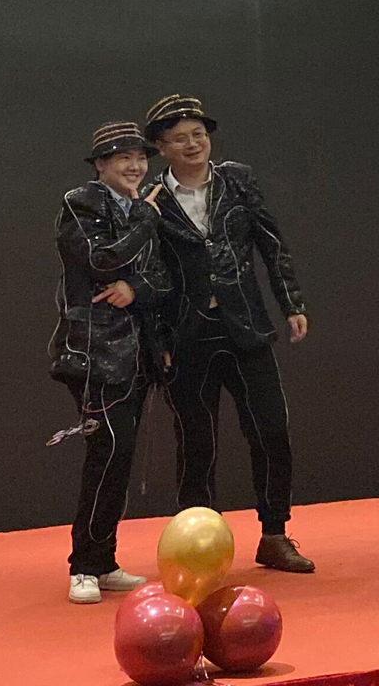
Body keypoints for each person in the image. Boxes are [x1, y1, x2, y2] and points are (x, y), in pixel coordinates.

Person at [143, 94, 314, 573]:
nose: (193, 144)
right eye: (180, 138)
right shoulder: (151, 202)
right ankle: (199, 546)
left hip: (246, 324)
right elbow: (150, 275)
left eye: (199, 134)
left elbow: (271, 243)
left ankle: (275, 534)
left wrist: (291, 303)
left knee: (271, 429)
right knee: (196, 442)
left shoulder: (237, 179)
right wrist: (158, 342)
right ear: (162, 147)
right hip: (186, 333)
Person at [49, 121, 170, 604]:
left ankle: (104, 561)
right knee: (107, 452)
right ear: (101, 165)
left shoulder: (141, 210)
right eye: (123, 158)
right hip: (93, 353)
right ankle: (83, 565)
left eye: (140, 158)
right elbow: (99, 260)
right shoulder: (80, 203)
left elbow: (161, 278)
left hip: (137, 353)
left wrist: (134, 288)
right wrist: (146, 220)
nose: (135, 167)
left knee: (120, 457)